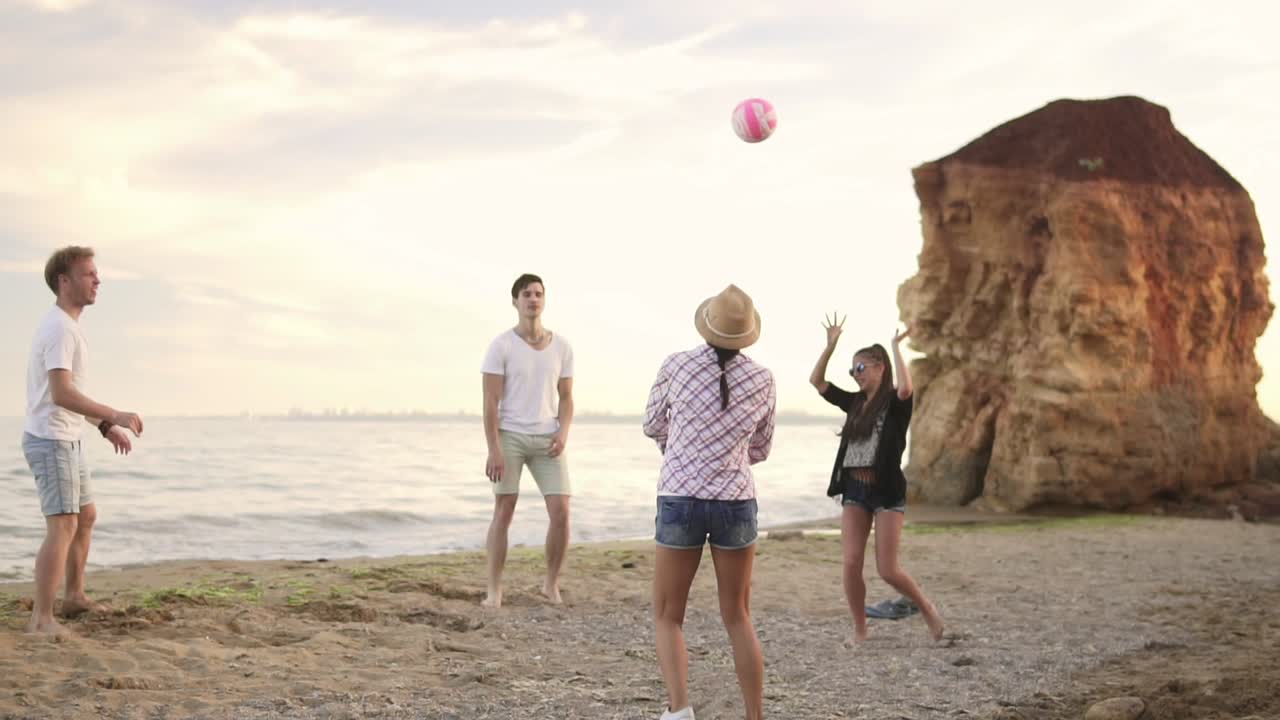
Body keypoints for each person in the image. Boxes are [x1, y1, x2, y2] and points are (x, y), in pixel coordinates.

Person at [643, 285, 776, 720]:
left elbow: (651, 424)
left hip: (680, 495)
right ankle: (755, 716)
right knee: (738, 615)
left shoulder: (676, 365)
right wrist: (726, 457)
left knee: (668, 615)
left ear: (708, 326)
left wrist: (680, 451)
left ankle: (680, 710)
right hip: (735, 501)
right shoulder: (763, 379)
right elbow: (760, 449)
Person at [22, 246, 144, 637]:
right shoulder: (59, 328)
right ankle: (42, 619)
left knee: (85, 517)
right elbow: (61, 394)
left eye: (96, 273)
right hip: (51, 439)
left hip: (68, 438)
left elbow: (70, 395)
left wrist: (104, 428)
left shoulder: (69, 327)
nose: (97, 281)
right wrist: (114, 414)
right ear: (64, 281)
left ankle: (74, 596)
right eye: (89, 274)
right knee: (63, 524)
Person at [808, 313, 944, 644]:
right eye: (852, 369)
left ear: (880, 368)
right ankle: (860, 629)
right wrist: (831, 346)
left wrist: (897, 347)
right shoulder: (854, 403)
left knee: (887, 569)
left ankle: (926, 608)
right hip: (854, 489)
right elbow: (818, 382)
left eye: (861, 368)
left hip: (886, 492)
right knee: (851, 562)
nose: (855, 375)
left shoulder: (896, 403)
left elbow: (907, 387)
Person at [480, 273, 574, 607]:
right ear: (515, 301)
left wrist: (562, 432)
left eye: (538, 294)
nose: (533, 299)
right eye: (526, 294)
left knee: (561, 511)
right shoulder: (501, 345)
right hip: (511, 436)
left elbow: (566, 398)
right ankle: (494, 590)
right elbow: (490, 401)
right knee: (504, 510)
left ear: (544, 300)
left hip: (548, 437)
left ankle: (550, 585)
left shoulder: (562, 346)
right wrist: (494, 449)